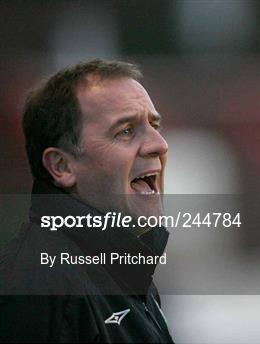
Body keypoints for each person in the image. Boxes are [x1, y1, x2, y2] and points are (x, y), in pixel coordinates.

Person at [0, 59, 174, 342]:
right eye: (126, 130)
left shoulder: (124, 272)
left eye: (155, 125)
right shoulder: (36, 287)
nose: (159, 144)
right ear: (62, 166)